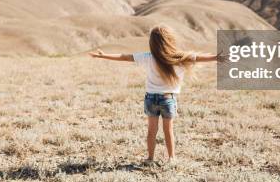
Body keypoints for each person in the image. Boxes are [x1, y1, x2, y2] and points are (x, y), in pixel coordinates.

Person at [88, 25, 218, 163]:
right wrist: (216, 57)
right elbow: (198, 58)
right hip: (168, 99)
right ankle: (171, 158)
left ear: (152, 42)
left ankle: (150, 158)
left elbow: (125, 57)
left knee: (151, 131)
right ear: (170, 40)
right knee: (168, 130)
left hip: (150, 99)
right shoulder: (179, 57)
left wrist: (104, 56)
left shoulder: (148, 57)